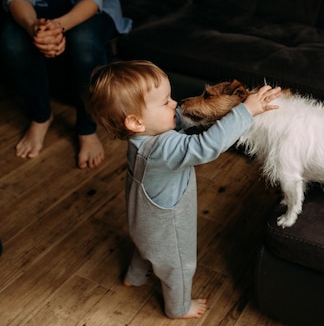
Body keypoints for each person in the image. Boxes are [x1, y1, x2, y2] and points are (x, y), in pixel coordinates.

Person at [84, 60, 281, 319]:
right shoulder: (165, 149)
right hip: (168, 231)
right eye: (165, 102)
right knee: (178, 266)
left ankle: (134, 277)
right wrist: (246, 110)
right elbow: (207, 145)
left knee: (145, 249)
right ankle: (178, 307)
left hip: (140, 223)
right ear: (135, 121)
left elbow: (174, 124)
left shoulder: (139, 138)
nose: (175, 104)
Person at [0, 0, 132, 168]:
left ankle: (87, 129)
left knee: (85, 42)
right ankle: (40, 116)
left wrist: (58, 27)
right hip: (35, 2)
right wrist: (34, 28)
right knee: (12, 42)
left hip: (87, 5)